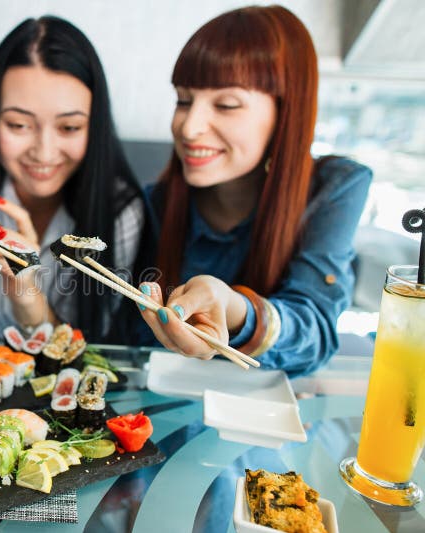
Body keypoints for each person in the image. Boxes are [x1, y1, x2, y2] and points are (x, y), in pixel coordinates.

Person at [131, 5, 371, 376]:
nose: (189, 127)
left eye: (226, 104)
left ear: (285, 113)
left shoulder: (334, 187)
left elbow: (315, 328)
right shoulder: (155, 202)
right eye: (183, 100)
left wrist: (234, 307)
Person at [0, 16, 145, 343]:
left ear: (94, 128)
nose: (44, 152)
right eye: (19, 125)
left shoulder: (120, 211)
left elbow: (87, 345)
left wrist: (26, 293)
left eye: (69, 128)